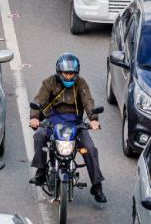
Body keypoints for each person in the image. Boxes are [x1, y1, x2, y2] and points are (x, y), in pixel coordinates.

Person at [30, 53, 106, 203]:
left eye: (72, 73)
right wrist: (34, 117)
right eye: (66, 73)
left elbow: (88, 101)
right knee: (39, 136)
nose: (69, 76)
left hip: (75, 124)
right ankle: (41, 171)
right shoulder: (49, 82)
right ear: (59, 71)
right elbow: (39, 100)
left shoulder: (81, 84)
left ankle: (97, 186)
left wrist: (93, 119)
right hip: (53, 121)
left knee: (90, 148)